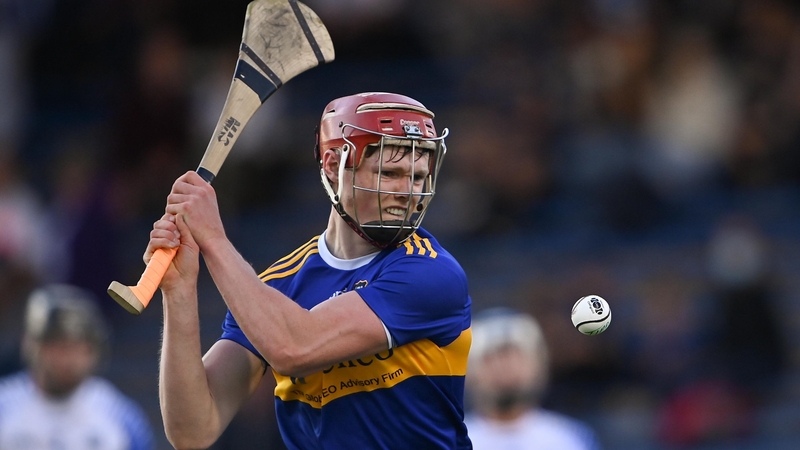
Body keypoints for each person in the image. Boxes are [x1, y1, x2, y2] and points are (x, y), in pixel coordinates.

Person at [149, 92, 473, 449]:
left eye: (417, 177)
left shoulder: (431, 272)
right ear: (333, 164)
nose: (408, 193)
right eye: (390, 173)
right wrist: (177, 293)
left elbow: (294, 347)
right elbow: (192, 430)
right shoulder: (277, 285)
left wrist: (213, 240)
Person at [0, 283, 155, 450]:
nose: (69, 359)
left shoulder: (121, 416)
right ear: (31, 345)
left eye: (79, 348)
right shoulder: (5, 407)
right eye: (58, 346)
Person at [465, 308, 601, 450]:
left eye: (514, 356)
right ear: (471, 369)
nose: (503, 367)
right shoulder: (450, 441)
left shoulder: (571, 438)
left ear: (538, 363)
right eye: (490, 359)